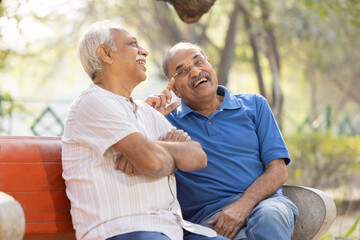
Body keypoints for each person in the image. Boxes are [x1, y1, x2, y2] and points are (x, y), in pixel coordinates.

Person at [62, 21, 228, 240]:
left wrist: (148, 148)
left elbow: (198, 157)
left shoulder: (145, 110)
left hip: (174, 229)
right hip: (123, 231)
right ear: (106, 54)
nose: (144, 51)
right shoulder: (93, 102)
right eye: (133, 44)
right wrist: (164, 155)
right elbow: (154, 162)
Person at [145, 42, 299, 240]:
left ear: (210, 65)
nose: (195, 72)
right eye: (182, 71)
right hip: (207, 223)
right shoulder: (166, 122)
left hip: (264, 204)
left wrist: (243, 206)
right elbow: (140, 155)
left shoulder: (254, 105)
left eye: (199, 61)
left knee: (269, 218)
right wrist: (150, 119)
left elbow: (278, 169)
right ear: (175, 90)